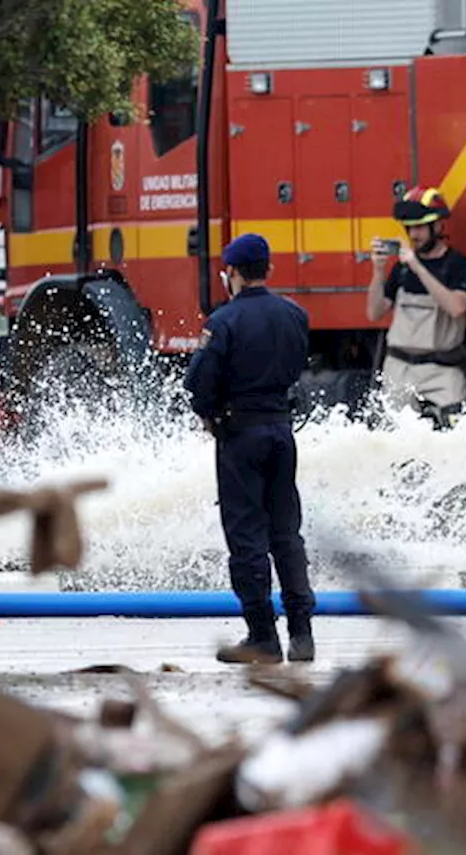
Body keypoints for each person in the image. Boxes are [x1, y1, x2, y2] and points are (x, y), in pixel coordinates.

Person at [183, 233, 316, 665]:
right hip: (281, 428)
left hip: (239, 435)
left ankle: (262, 636)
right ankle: (302, 634)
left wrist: (209, 415)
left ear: (233, 273)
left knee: (246, 538)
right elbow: (298, 365)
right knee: (286, 533)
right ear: (269, 270)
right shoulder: (294, 315)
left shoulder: (223, 322)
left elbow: (200, 384)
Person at [366, 185, 466, 428]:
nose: (413, 235)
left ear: (437, 226)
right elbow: (374, 312)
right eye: (409, 228)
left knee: (455, 433)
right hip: (399, 368)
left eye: (419, 227)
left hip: (442, 370)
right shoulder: (401, 269)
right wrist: (378, 271)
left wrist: (418, 268)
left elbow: (457, 308)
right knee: (396, 441)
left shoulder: (457, 265)